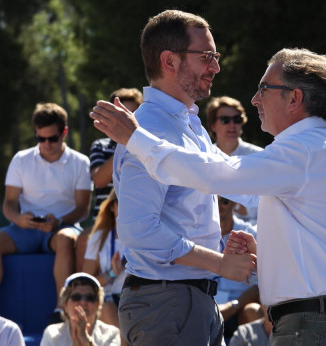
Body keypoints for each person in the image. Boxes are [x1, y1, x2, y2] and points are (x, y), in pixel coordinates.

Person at [91, 47, 326, 345]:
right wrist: (269, 252)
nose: (254, 99)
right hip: (317, 322)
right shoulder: (318, 150)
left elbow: (218, 176)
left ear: (294, 98)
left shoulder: (304, 151)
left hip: (313, 326)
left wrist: (136, 138)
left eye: (264, 88)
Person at [95, 10, 257, 345]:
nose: (216, 67)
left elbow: (234, 182)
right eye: (207, 57)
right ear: (170, 60)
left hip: (184, 303)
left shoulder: (189, 123)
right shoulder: (152, 127)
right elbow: (139, 230)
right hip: (167, 305)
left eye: (216, 57)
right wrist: (220, 263)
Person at [0, 102, 92, 323]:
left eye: (53, 138)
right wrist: (19, 220)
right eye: (41, 139)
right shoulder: (21, 159)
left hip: (62, 228)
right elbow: (9, 204)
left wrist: (58, 221)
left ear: (64, 132)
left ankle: (62, 311)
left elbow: (82, 209)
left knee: (66, 240)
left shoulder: (81, 163)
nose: (47, 144)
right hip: (25, 229)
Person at [77, 88, 143, 271]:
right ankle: (79, 291)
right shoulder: (101, 146)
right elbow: (98, 179)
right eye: (119, 114)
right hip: (105, 223)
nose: (124, 119)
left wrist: (135, 141)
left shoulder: (148, 147)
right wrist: (126, 143)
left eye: (130, 114)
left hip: (140, 221)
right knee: (85, 239)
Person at [206, 96, 263, 224]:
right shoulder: (204, 157)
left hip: (253, 233)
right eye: (225, 120)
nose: (232, 125)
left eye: (237, 119)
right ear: (213, 125)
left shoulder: (259, 156)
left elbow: (265, 205)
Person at [214, 196, 261, 339]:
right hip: (206, 307)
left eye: (225, 201)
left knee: (253, 312)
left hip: (238, 310)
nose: (220, 205)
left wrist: (233, 306)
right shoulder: (197, 234)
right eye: (215, 201)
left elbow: (261, 284)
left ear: (234, 202)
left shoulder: (250, 235)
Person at [82, 190, 126, 331]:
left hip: (138, 298)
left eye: (130, 204)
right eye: (121, 203)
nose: (126, 209)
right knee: (107, 309)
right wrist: (112, 273)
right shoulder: (99, 238)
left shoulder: (145, 236)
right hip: (109, 299)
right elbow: (86, 284)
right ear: (112, 206)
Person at [41, 272, 120, 346]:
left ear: (98, 304)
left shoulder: (112, 333)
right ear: (65, 304)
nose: (83, 302)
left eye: (90, 298)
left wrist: (86, 340)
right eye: (76, 297)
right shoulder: (52, 333)